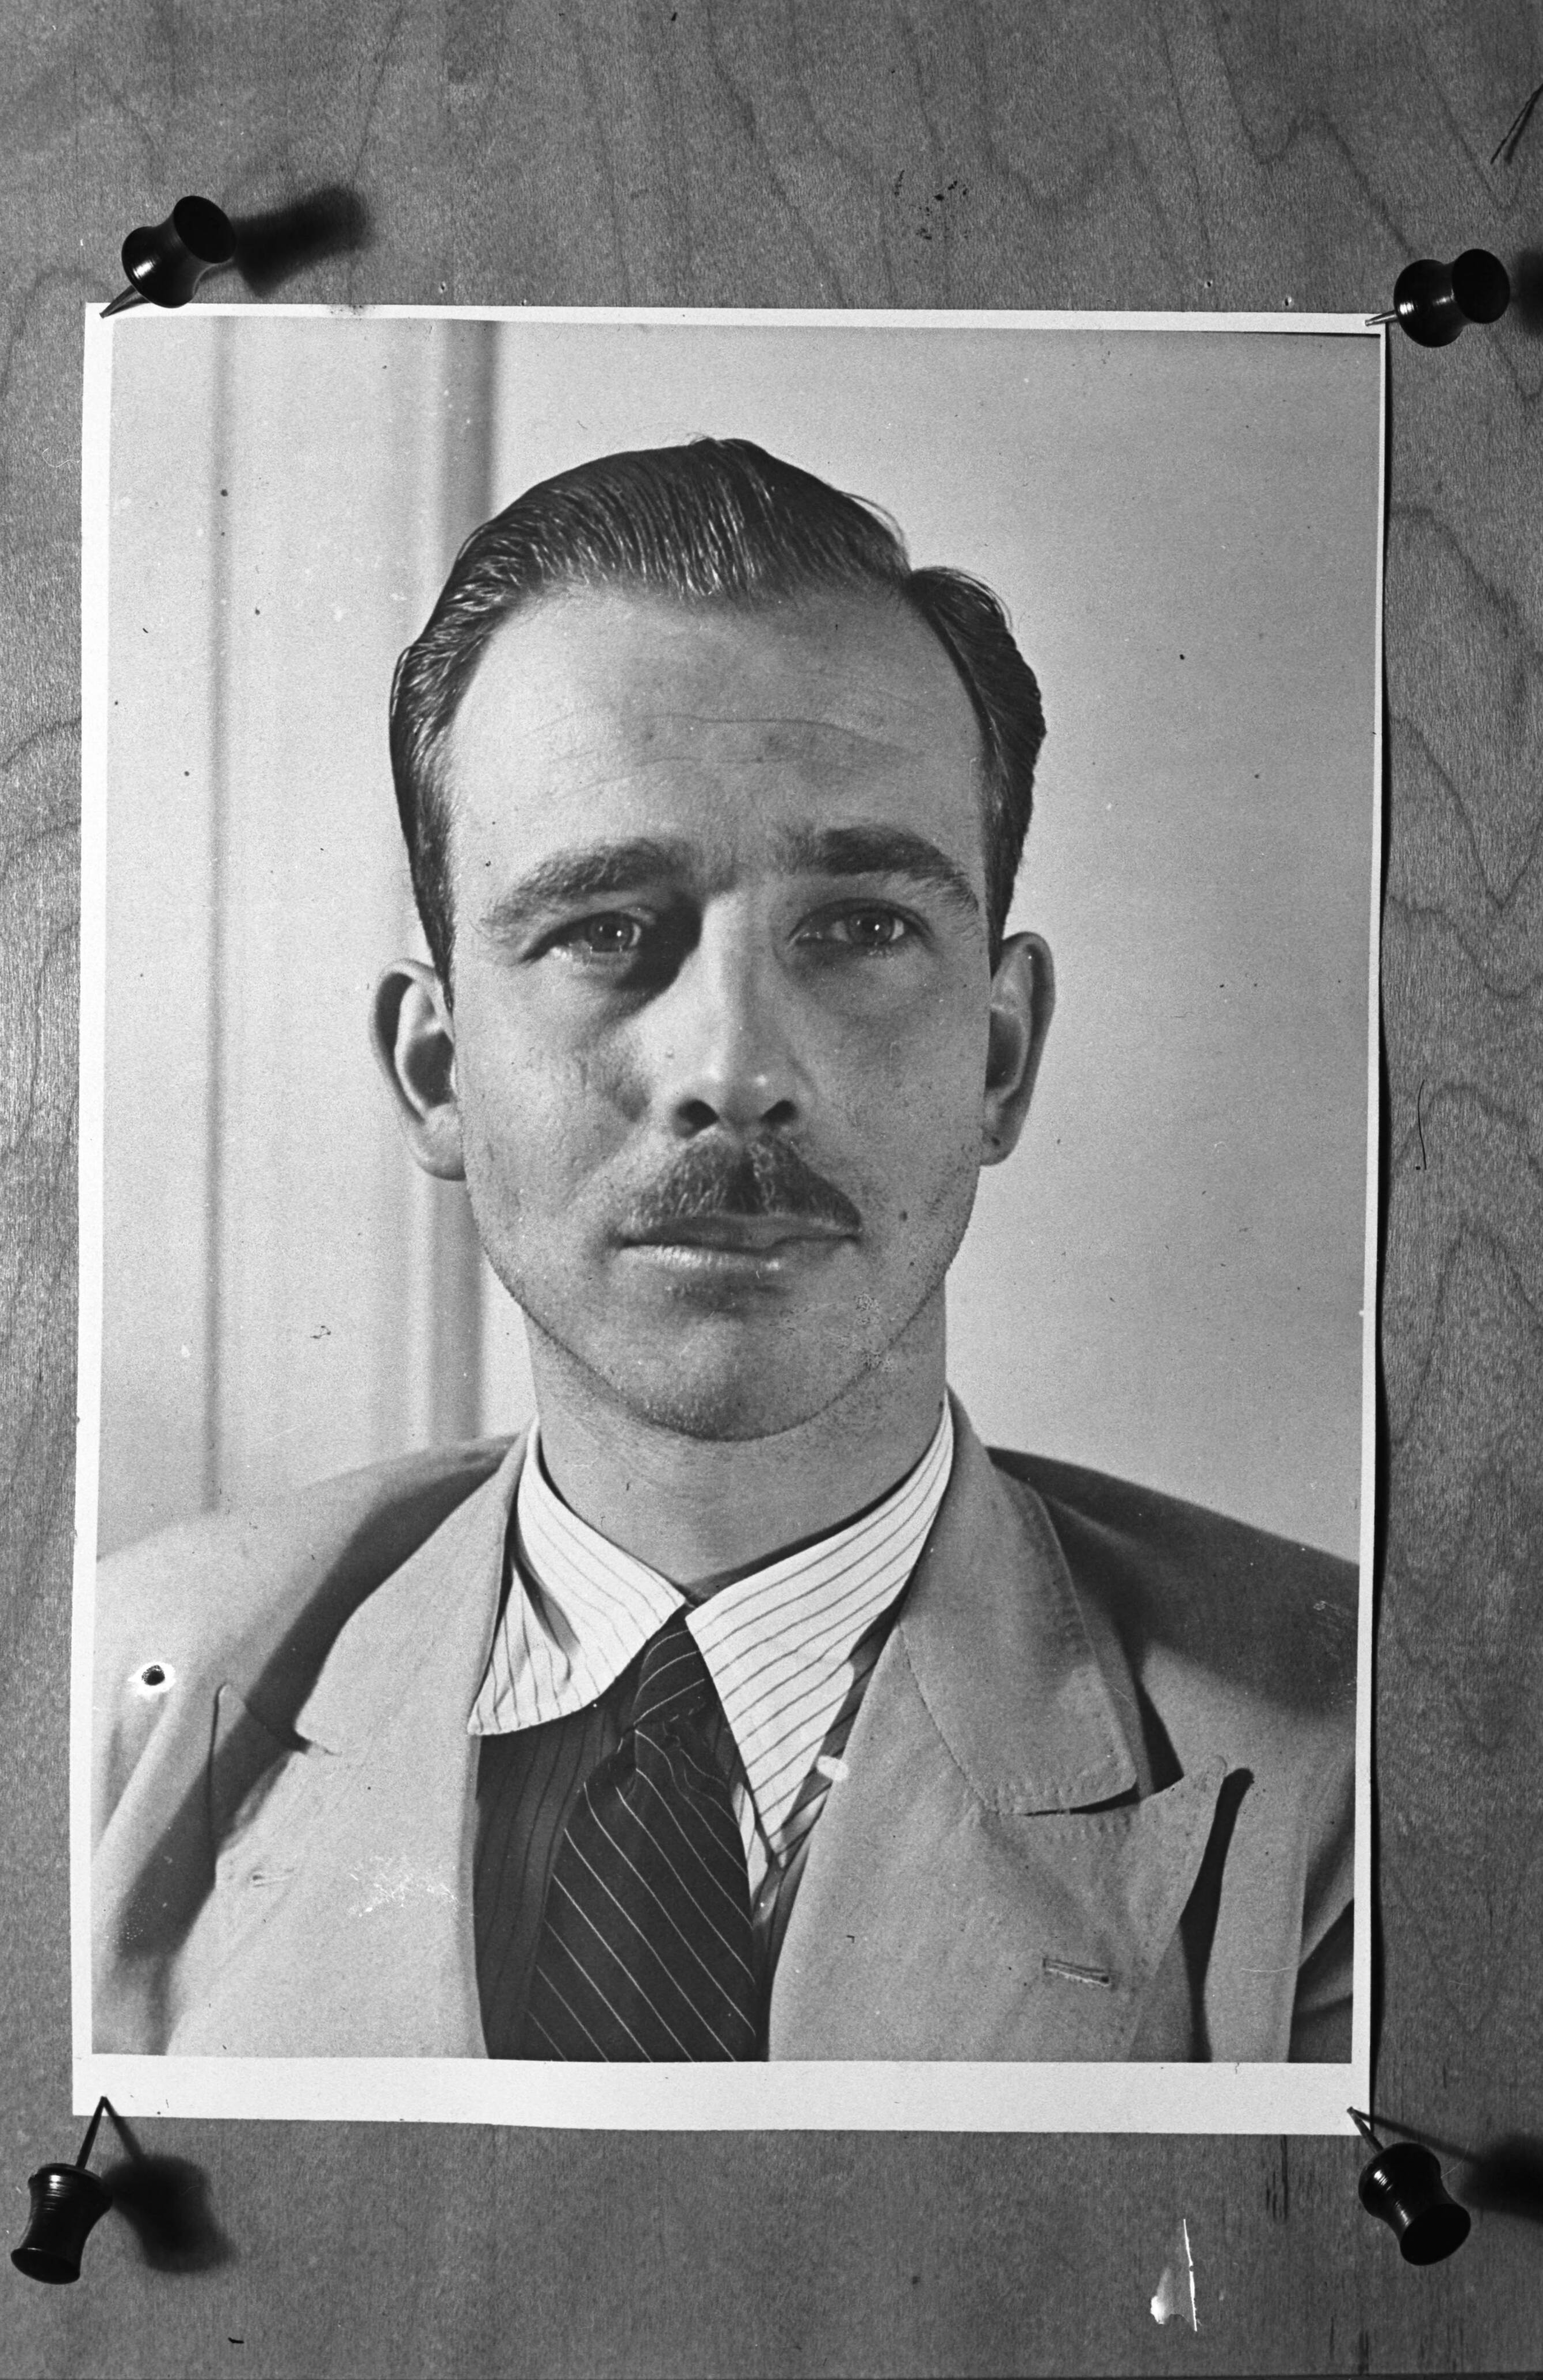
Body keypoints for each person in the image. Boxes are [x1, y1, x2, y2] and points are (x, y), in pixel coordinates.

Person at [91, 439, 1355, 2067]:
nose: (737, 1067)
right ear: (437, 1072)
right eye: (605, 931)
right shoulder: (119, 1716)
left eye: (861, 927)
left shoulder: (1354, 1773)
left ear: (999, 1057)